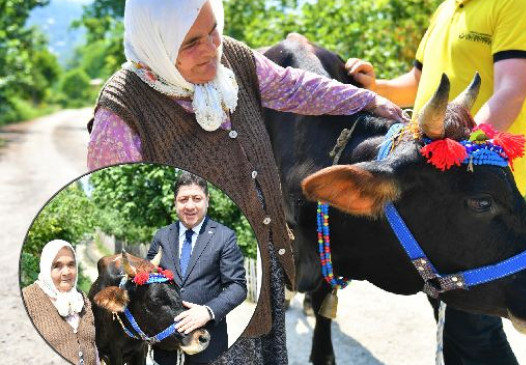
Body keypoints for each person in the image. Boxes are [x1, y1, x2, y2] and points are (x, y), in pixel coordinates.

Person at [86, 0, 407, 363]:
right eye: (191, 42)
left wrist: (368, 100)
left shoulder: (232, 59)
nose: (211, 49)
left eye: (213, 31)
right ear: (154, 44)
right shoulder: (121, 114)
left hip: (259, 261)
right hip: (185, 293)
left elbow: (294, 86)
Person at [345, 0, 526, 363]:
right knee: (454, 312)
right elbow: (417, 84)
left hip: (480, 199)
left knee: (472, 331)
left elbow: (511, 91)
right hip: (443, 193)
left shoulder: (524, 4)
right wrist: (377, 83)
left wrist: (455, 152)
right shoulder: (447, 9)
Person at [146, 172, 246, 364]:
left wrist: (208, 311)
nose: (190, 205)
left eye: (196, 198)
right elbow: (148, 279)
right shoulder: (161, 236)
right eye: (183, 199)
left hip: (208, 344)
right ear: (175, 202)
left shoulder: (224, 237)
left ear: (207, 200)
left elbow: (238, 287)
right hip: (166, 346)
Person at [22, 239, 98, 365]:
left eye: (71, 264)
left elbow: (92, 349)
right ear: (46, 267)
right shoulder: (28, 299)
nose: (67, 272)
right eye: (57, 266)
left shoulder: (81, 299)